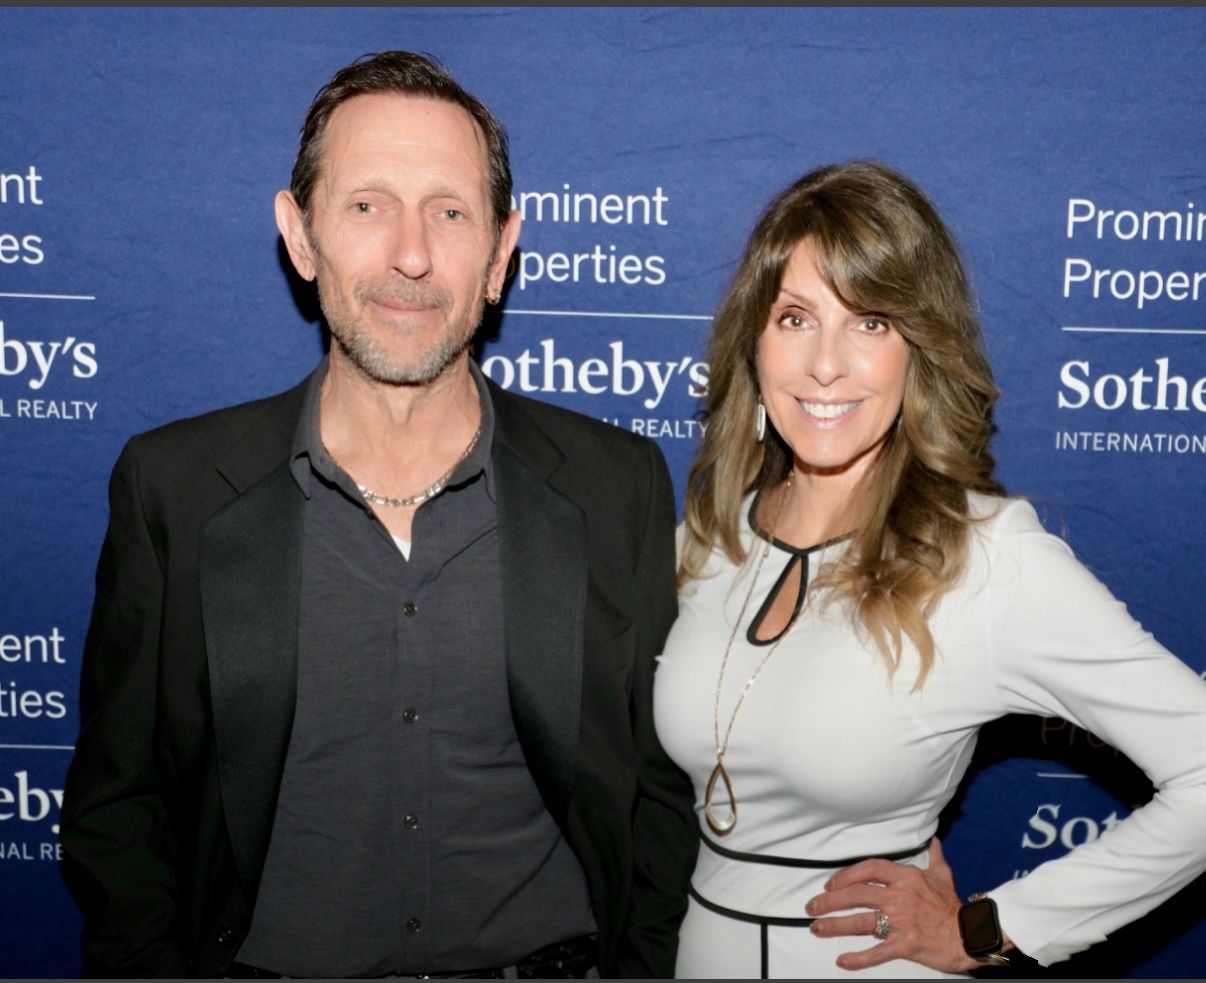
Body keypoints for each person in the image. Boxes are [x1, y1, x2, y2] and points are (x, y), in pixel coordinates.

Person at [60, 50, 697, 979]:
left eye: (449, 211)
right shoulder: (175, 488)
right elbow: (119, 808)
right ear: (300, 232)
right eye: (367, 205)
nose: (411, 253)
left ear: (500, 252)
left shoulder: (616, 485)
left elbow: (659, 789)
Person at [653, 160, 1206, 978]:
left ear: (920, 350)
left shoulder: (983, 557)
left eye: (871, 322)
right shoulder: (703, 544)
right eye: (796, 317)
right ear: (753, 344)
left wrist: (991, 925)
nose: (827, 363)